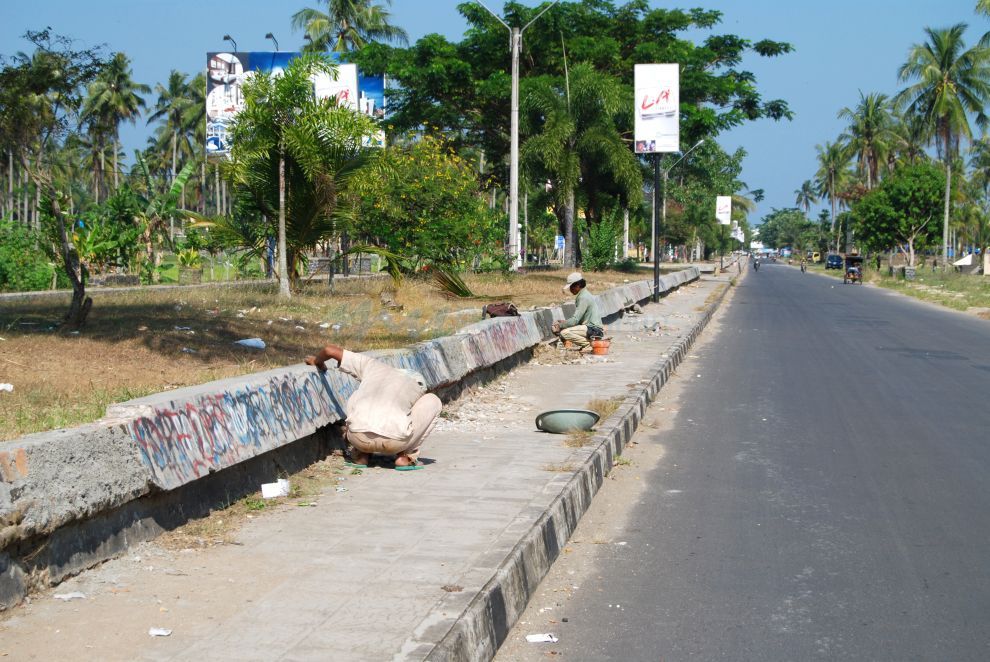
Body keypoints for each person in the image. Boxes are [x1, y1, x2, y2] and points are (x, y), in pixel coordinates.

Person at [305, 343, 441, 470]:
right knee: (433, 401)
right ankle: (405, 457)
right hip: (395, 442)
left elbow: (329, 350)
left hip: (357, 437)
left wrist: (317, 362)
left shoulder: (372, 366)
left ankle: (360, 455)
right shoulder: (417, 386)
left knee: (361, 396)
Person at [553, 272, 604, 352]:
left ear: (578, 285)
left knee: (564, 333)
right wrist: (565, 322)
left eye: (571, 287)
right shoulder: (584, 294)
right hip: (591, 328)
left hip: (593, 329)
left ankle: (588, 345)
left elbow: (575, 320)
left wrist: (561, 325)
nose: (570, 290)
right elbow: (580, 319)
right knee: (566, 330)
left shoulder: (583, 298)